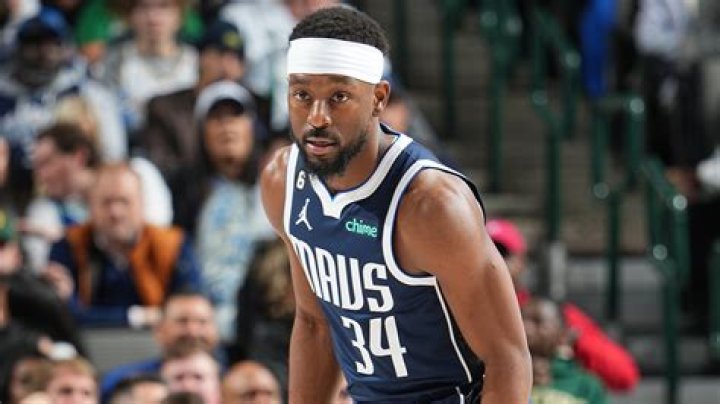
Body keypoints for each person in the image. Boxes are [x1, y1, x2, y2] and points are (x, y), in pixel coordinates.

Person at [259, 6, 531, 403]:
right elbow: (316, 323)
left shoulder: (432, 205)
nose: (316, 117)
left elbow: (507, 360)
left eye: (338, 97)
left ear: (378, 98)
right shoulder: (282, 182)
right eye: (302, 95)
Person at [171, 80, 275, 341]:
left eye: (236, 116)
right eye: (216, 118)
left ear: (252, 127)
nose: (227, 126)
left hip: (263, 320)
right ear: (201, 132)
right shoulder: (181, 192)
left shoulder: (277, 187)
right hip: (200, 322)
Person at [486, 218, 640, 391]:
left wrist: (561, 343)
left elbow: (625, 376)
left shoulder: (548, 313)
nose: (493, 261)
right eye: (484, 253)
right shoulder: (463, 312)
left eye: (501, 253)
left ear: (522, 262)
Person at [45, 163, 202, 328]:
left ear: (142, 204)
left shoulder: (172, 246)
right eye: (106, 202)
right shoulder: (69, 245)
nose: (115, 213)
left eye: (124, 201)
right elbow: (61, 316)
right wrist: (138, 317)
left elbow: (191, 312)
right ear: (90, 205)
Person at [0, 7, 126, 165]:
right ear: (17, 50)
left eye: (51, 46)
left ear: (66, 50)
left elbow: (114, 156)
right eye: (33, 45)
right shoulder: (3, 93)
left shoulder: (89, 93)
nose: (42, 55)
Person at [100, 292, 225, 402]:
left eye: (202, 322)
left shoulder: (231, 382)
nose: (193, 331)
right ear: (159, 330)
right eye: (182, 321)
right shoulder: (122, 381)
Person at [523, 297, 608, 404]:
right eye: (521, 320)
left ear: (563, 334)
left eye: (537, 321)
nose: (526, 328)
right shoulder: (508, 379)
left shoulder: (586, 386)